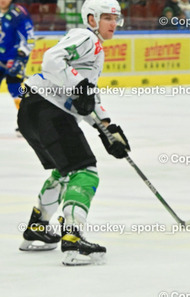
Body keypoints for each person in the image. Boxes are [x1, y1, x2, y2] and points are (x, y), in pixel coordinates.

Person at [17, 0, 131, 266]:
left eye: (116, 18)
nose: (113, 24)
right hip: (49, 111)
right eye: (107, 18)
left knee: (65, 171)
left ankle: (38, 228)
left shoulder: (93, 49)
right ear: (91, 19)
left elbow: (86, 98)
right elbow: (51, 60)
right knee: (85, 172)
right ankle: (73, 239)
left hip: (32, 111)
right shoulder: (85, 37)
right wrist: (80, 87)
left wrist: (107, 129)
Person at [0, 0, 34, 137]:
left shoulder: (19, 13)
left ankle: (27, 123)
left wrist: (20, 58)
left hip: (14, 58)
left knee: (15, 89)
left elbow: (29, 38)